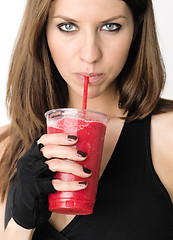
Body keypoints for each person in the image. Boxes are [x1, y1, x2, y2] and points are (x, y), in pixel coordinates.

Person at [0, 0, 173, 239]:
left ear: (137, 28)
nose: (90, 55)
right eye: (68, 26)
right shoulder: (6, 147)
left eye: (111, 26)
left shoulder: (167, 136)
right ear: (41, 31)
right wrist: (21, 222)